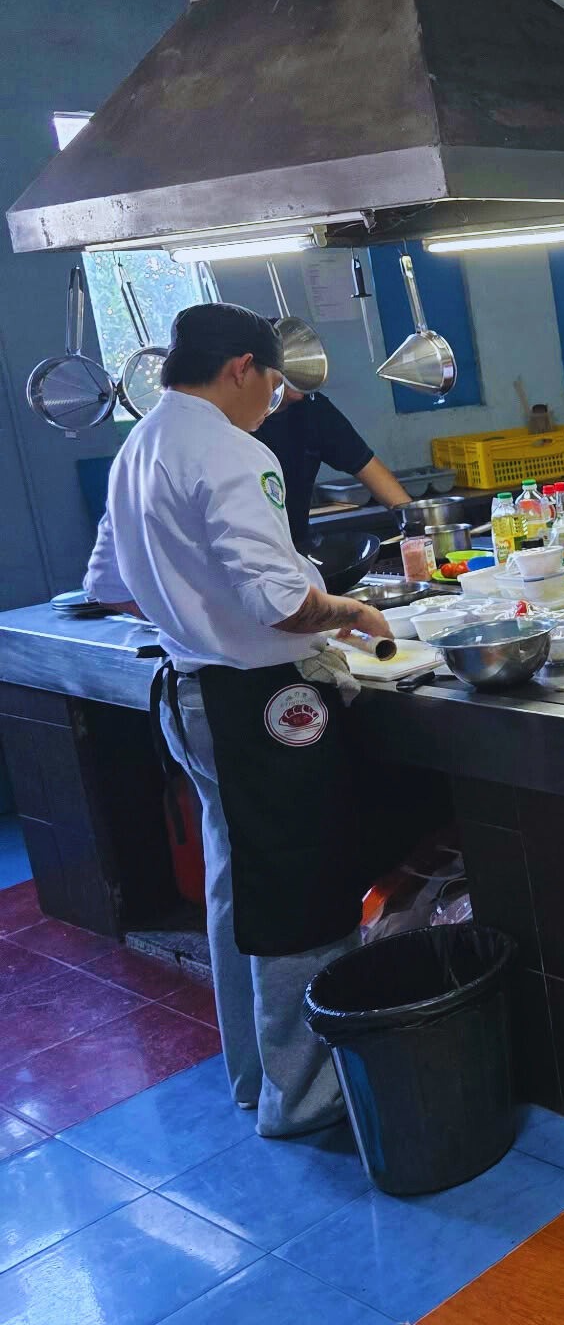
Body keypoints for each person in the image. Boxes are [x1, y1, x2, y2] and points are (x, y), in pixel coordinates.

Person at [83, 303, 392, 1138]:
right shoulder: (230, 449)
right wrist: (350, 611)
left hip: (189, 694)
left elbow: (107, 584)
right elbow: (284, 602)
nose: (277, 402)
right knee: (297, 891)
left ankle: (256, 1076)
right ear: (242, 369)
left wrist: (190, 606)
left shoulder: (137, 447)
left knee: (238, 888)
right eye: (275, 383)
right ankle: (307, 1098)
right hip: (261, 706)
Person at [255, 387, 413, 548]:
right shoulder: (236, 421)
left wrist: (417, 530)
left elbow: (369, 468)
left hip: (297, 550)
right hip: (249, 556)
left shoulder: (313, 408)